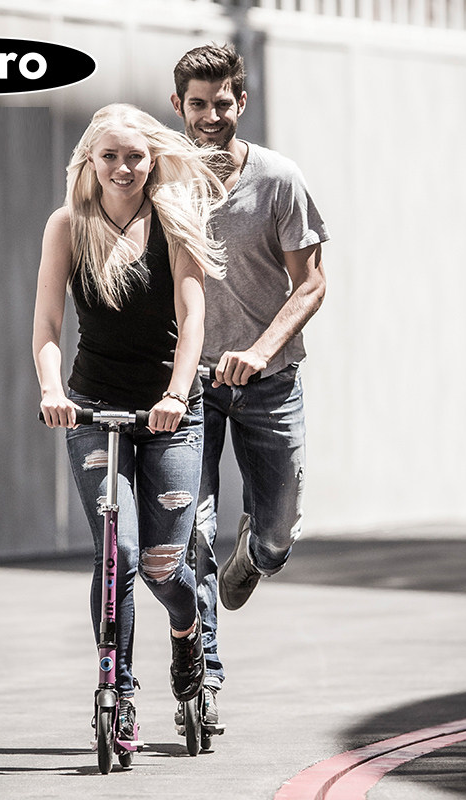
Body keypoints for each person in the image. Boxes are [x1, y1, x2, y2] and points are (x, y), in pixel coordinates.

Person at [32, 103, 227, 741]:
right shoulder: (68, 225)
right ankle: (117, 687)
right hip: (93, 408)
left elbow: (193, 320)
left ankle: (187, 633)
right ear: (89, 160)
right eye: (110, 156)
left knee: (163, 565)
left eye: (135, 156)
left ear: (152, 159)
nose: (123, 168)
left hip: (171, 411)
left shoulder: (174, 220)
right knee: (116, 553)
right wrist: (52, 389)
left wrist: (176, 393)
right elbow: (48, 323)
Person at [170, 44, 329, 726]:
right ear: (178, 106)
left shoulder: (278, 180)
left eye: (222, 103)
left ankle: (258, 553)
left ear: (242, 101)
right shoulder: (162, 178)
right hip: (190, 382)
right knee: (192, 534)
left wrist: (260, 353)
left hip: (270, 381)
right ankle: (203, 680)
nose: (210, 116)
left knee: (278, 533)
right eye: (197, 104)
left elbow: (312, 283)